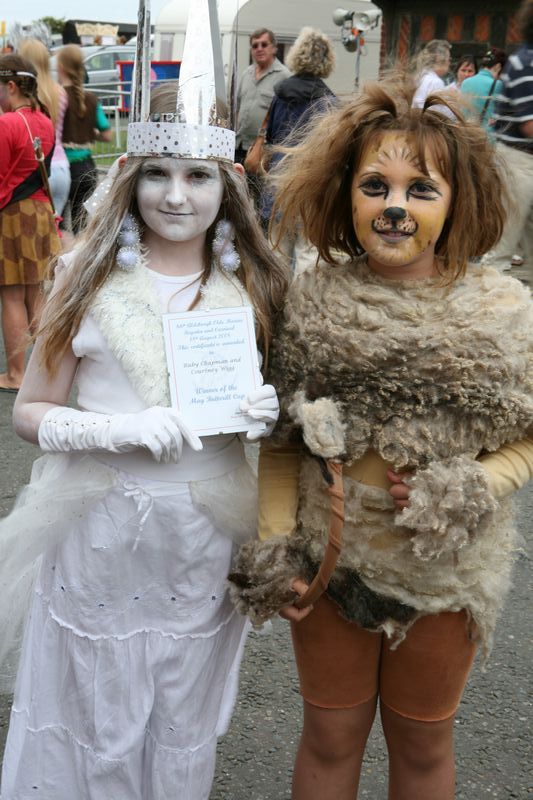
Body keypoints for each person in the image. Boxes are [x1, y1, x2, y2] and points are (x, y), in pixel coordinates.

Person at [0, 3, 288, 796]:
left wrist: (261, 413)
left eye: (197, 176)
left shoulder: (250, 286)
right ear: (129, 180)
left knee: (180, 706)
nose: (174, 196)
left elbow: (279, 418)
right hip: (105, 536)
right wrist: (114, 429)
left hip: (201, 545)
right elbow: (29, 413)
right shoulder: (80, 283)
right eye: (156, 173)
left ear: (225, 188)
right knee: (98, 704)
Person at [229, 76, 533, 800]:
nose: (394, 207)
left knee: (423, 745)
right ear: (346, 194)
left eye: (420, 190)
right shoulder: (310, 301)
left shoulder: (501, 313)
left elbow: (523, 437)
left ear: (458, 201)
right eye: (375, 185)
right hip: (331, 565)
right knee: (330, 738)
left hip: (446, 572)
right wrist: (279, 550)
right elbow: (280, 443)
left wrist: (471, 486)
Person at [0, 54, 60, 393]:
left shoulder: (7, 123)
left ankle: (15, 374)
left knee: (10, 295)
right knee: (36, 293)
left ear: (10, 86)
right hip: (40, 213)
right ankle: (44, 370)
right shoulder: (45, 120)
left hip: (12, 214)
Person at [260, 26, 336, 274]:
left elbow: (270, 138)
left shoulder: (280, 94)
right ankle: (300, 306)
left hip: (278, 181)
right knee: (307, 251)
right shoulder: (328, 101)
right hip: (309, 185)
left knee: (277, 248)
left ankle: (272, 305)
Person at [482, 0, 533, 272]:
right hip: (518, 162)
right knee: (502, 247)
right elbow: (530, 125)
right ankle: (488, 310)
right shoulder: (526, 62)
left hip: (525, 160)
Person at [55, 44, 112, 234]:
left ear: (61, 67)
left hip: (62, 167)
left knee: (59, 227)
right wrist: (87, 134)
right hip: (87, 168)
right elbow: (107, 134)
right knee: (82, 227)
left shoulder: (56, 98)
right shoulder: (91, 99)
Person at [17, 38, 71, 218]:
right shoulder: (60, 92)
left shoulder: (21, 97)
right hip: (61, 167)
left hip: (33, 171)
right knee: (54, 233)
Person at [235, 28, 290, 166]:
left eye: (264, 44)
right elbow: (237, 107)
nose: (259, 49)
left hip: (263, 152)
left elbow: (286, 119)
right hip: (239, 147)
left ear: (274, 48)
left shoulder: (284, 76)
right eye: (255, 45)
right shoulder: (246, 74)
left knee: (257, 187)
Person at [461, 48, 506, 134]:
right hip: (486, 137)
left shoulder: (465, 83)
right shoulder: (498, 85)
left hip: (466, 135)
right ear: (498, 66)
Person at [412, 39, 451, 107]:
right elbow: (438, 113)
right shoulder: (435, 82)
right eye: (448, 59)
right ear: (439, 60)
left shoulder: (419, 76)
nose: (449, 63)